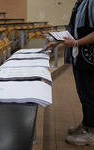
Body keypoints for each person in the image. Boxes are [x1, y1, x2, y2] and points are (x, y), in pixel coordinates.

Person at [47, 0, 94, 146]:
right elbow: (73, 29)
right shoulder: (82, 2)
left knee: (90, 95)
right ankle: (87, 124)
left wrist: (75, 43)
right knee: (84, 93)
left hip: (89, 57)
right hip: (81, 57)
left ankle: (91, 132)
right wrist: (58, 41)